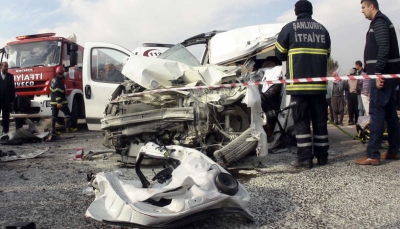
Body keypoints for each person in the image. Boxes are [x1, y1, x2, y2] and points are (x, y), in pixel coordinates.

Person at [275, 0, 331, 168]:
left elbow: (279, 54)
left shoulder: (289, 29)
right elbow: (327, 55)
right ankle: (322, 157)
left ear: (296, 12)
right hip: (319, 87)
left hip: (298, 87)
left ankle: (305, 159)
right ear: (311, 11)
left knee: (301, 122)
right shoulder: (323, 30)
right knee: (320, 122)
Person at [355, 0, 400, 165]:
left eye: (363, 7)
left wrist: (379, 72)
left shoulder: (379, 22)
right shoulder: (381, 22)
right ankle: (394, 150)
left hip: (382, 75)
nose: (362, 11)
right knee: (389, 112)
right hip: (387, 74)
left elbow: (384, 47)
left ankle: (373, 153)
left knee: (376, 112)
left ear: (371, 6)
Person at [50, 66, 77, 134]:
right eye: (63, 73)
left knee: (54, 116)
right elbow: (57, 92)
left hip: (53, 101)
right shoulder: (59, 82)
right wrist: (59, 102)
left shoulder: (54, 79)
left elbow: (52, 90)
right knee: (67, 113)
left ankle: (53, 130)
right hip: (60, 102)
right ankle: (68, 129)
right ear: (61, 73)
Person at [0, 62, 15, 134]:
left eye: (7, 67)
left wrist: (12, 100)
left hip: (7, 101)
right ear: (1, 67)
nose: (6, 68)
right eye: (5, 66)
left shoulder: (10, 76)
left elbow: (12, 89)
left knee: (6, 117)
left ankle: (5, 132)